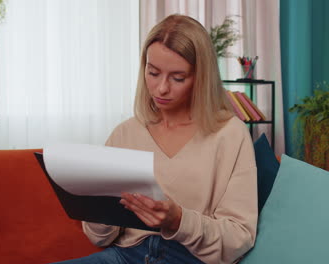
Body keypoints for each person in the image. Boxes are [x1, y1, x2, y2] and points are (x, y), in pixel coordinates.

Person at [54, 14, 257, 264]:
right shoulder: (126, 133)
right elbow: (99, 238)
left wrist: (179, 220)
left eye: (177, 78)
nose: (161, 88)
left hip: (188, 259)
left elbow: (239, 238)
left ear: (201, 78)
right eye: (153, 72)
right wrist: (94, 207)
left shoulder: (230, 134)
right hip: (126, 256)